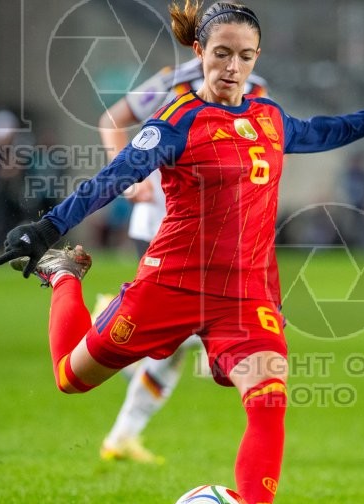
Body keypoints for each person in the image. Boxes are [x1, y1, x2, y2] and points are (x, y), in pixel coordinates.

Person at [0, 0, 364, 504]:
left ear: (257, 58)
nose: (232, 67)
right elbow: (113, 178)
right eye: (222, 54)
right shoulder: (175, 123)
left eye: (245, 56)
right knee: (71, 377)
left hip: (245, 296)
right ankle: (65, 275)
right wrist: (45, 230)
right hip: (170, 288)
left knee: (269, 396)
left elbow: (325, 129)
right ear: (199, 53)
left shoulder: (268, 118)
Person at [95, 56, 268, 465]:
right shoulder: (172, 82)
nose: (232, 59)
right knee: (192, 335)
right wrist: (127, 175)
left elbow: (272, 144)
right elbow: (112, 120)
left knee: (173, 348)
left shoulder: (257, 89)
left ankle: (120, 438)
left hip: (216, 236)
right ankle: (109, 318)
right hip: (162, 225)